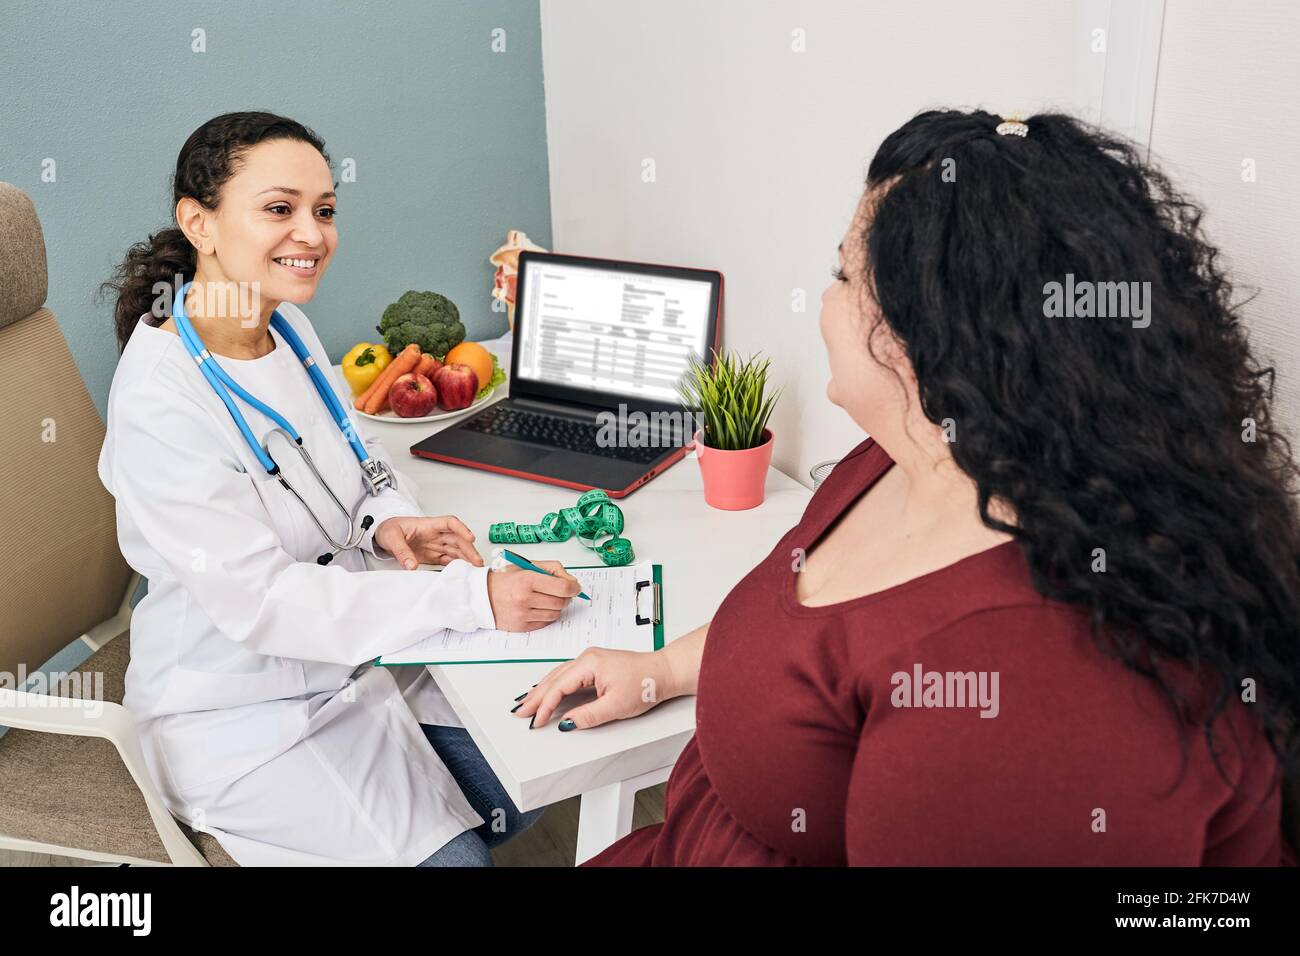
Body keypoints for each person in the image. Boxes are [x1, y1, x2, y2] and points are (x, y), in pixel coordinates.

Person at [514, 110, 1300, 866]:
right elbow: (811, 634)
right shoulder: (906, 455)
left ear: (930, 335)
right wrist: (662, 671)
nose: (823, 301)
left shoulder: (1021, 685)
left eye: (843, 275)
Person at [98, 111, 580, 866]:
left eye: (324, 211)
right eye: (279, 209)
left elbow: (358, 461)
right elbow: (264, 603)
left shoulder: (286, 326)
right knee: (462, 859)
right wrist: (472, 597)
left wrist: (387, 521)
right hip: (239, 708)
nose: (312, 234)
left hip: (353, 661)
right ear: (200, 222)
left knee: (543, 757)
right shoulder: (161, 399)